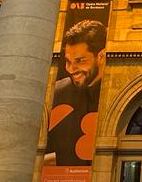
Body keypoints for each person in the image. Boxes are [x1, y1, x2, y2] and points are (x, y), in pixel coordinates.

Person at [45, 19, 107, 167]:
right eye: (68, 61)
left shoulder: (111, 91)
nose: (71, 69)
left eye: (80, 60)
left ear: (101, 56)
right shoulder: (57, 92)